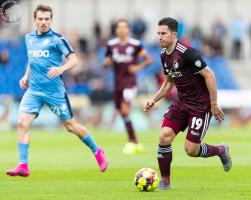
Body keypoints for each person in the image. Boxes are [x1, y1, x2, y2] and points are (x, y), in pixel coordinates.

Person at [6, 4, 108, 177]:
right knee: (22, 123)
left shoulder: (57, 39)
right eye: (40, 19)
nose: (44, 22)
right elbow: (32, 60)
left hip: (55, 93)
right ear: (35, 20)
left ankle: (97, 151)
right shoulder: (29, 38)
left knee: (71, 126)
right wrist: (25, 76)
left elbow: (74, 60)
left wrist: (61, 69)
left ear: (51, 20)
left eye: (47, 19)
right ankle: (23, 165)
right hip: (34, 91)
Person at [143, 17, 232, 189]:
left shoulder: (187, 52)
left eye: (163, 33)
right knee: (164, 136)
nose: (159, 37)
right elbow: (168, 82)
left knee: (191, 150)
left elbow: (209, 75)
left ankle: (221, 150)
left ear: (174, 34)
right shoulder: (163, 55)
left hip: (200, 105)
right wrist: (153, 100)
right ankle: (165, 181)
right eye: (158, 33)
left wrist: (213, 104)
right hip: (181, 102)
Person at [103, 19, 152, 154]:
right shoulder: (111, 45)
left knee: (125, 110)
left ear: (128, 29)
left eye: (124, 27)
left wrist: (138, 67)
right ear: (116, 30)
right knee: (122, 113)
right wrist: (106, 63)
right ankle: (134, 140)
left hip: (130, 83)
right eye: (119, 28)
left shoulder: (136, 45)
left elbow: (148, 60)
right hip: (117, 84)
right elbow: (106, 61)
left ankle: (132, 141)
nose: (121, 30)